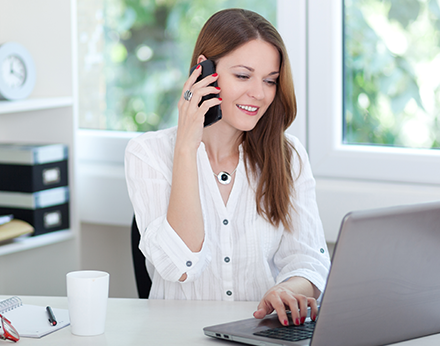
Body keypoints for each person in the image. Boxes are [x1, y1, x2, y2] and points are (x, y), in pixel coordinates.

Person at [124, 8, 329, 327]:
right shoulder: (148, 153)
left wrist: (288, 289)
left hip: (261, 332)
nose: (259, 94)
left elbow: (310, 262)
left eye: (270, 80)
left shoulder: (289, 156)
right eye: (243, 76)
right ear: (205, 72)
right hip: (176, 336)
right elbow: (181, 265)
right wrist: (186, 148)